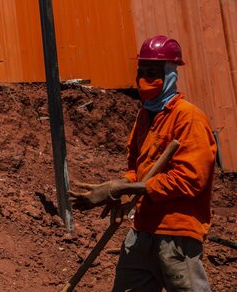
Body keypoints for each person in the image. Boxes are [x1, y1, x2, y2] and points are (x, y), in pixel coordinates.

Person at [69, 35, 217, 292]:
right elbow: (136, 170)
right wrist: (117, 189)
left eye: (153, 72)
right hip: (143, 230)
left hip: (176, 234)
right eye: (141, 71)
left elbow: (191, 179)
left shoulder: (188, 117)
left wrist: (127, 188)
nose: (144, 79)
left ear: (170, 74)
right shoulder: (144, 115)